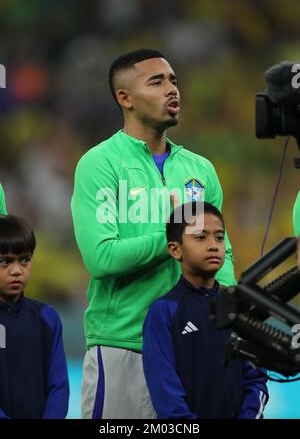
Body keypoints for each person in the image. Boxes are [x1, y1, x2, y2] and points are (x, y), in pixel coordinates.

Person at [71, 48, 236, 419]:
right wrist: (174, 241)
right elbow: (101, 258)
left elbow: (221, 254)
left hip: (193, 341)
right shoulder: (100, 164)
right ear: (124, 98)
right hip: (124, 345)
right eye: (157, 82)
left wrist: (228, 317)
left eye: (174, 80)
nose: (172, 89)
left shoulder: (200, 170)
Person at [143, 201, 269, 419]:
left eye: (219, 237)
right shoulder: (163, 312)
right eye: (201, 237)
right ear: (175, 249)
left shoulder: (240, 308)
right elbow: (165, 392)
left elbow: (256, 379)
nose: (213, 245)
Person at [0, 215, 69, 419]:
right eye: (5, 261)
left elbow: (59, 386)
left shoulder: (46, 318)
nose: (16, 271)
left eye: (24, 260)